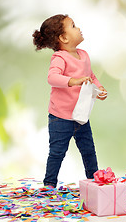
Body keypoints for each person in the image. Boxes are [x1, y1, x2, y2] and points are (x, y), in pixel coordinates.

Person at [32, 14, 107, 188]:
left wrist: (99, 89)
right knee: (57, 152)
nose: (78, 28)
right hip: (60, 117)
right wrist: (73, 81)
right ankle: (49, 184)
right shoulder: (60, 57)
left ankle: (95, 182)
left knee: (89, 150)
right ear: (63, 38)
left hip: (81, 115)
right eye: (73, 26)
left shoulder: (84, 55)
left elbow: (91, 76)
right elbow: (52, 78)